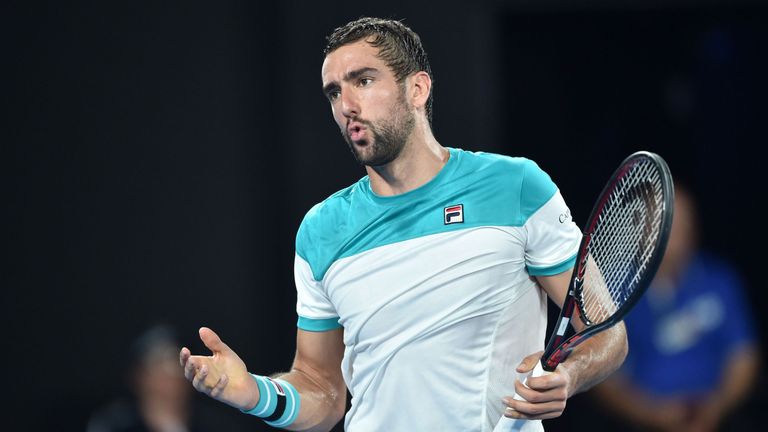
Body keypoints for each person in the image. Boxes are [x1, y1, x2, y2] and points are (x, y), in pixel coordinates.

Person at [179, 17, 627, 431]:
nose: (347, 106)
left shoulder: (516, 187)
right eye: (334, 92)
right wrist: (254, 393)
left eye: (363, 81)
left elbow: (607, 331)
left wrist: (568, 374)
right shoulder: (321, 230)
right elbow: (325, 391)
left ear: (417, 89)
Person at [592, 185, 760, 432]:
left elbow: (744, 356)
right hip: (641, 422)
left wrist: (717, 406)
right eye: (670, 222)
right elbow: (603, 377)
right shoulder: (613, 291)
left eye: (687, 222)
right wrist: (651, 414)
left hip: (716, 419)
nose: (682, 233)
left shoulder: (720, 280)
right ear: (641, 229)